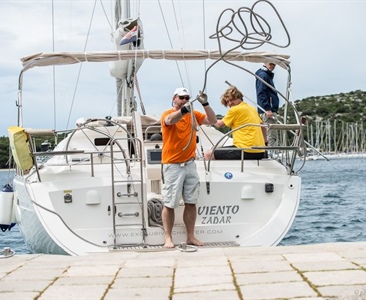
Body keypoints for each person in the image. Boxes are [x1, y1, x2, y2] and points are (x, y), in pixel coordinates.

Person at [161, 87, 217, 248]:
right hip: (172, 165)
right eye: (182, 97)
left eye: (187, 98)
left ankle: (191, 237)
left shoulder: (194, 115)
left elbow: (213, 120)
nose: (185, 100)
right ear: (174, 98)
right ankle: (168, 238)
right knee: (170, 203)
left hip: (190, 164)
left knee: (191, 202)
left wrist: (205, 103)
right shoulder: (167, 114)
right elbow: (170, 120)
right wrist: (183, 111)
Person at [204, 85, 266, 160]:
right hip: (260, 151)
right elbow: (263, 126)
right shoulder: (252, 108)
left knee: (208, 154)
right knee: (219, 150)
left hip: (245, 150)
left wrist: (207, 118)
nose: (230, 103)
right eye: (227, 102)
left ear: (239, 97)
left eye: (232, 99)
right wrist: (265, 143)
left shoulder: (234, 110)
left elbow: (220, 124)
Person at [255, 62, 280, 147]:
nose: (272, 66)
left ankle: (268, 154)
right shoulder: (264, 75)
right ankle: (269, 155)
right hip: (267, 111)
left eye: (274, 64)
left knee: (268, 135)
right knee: (271, 136)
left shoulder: (265, 75)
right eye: (271, 63)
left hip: (266, 110)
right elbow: (261, 93)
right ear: (265, 62)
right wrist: (267, 108)